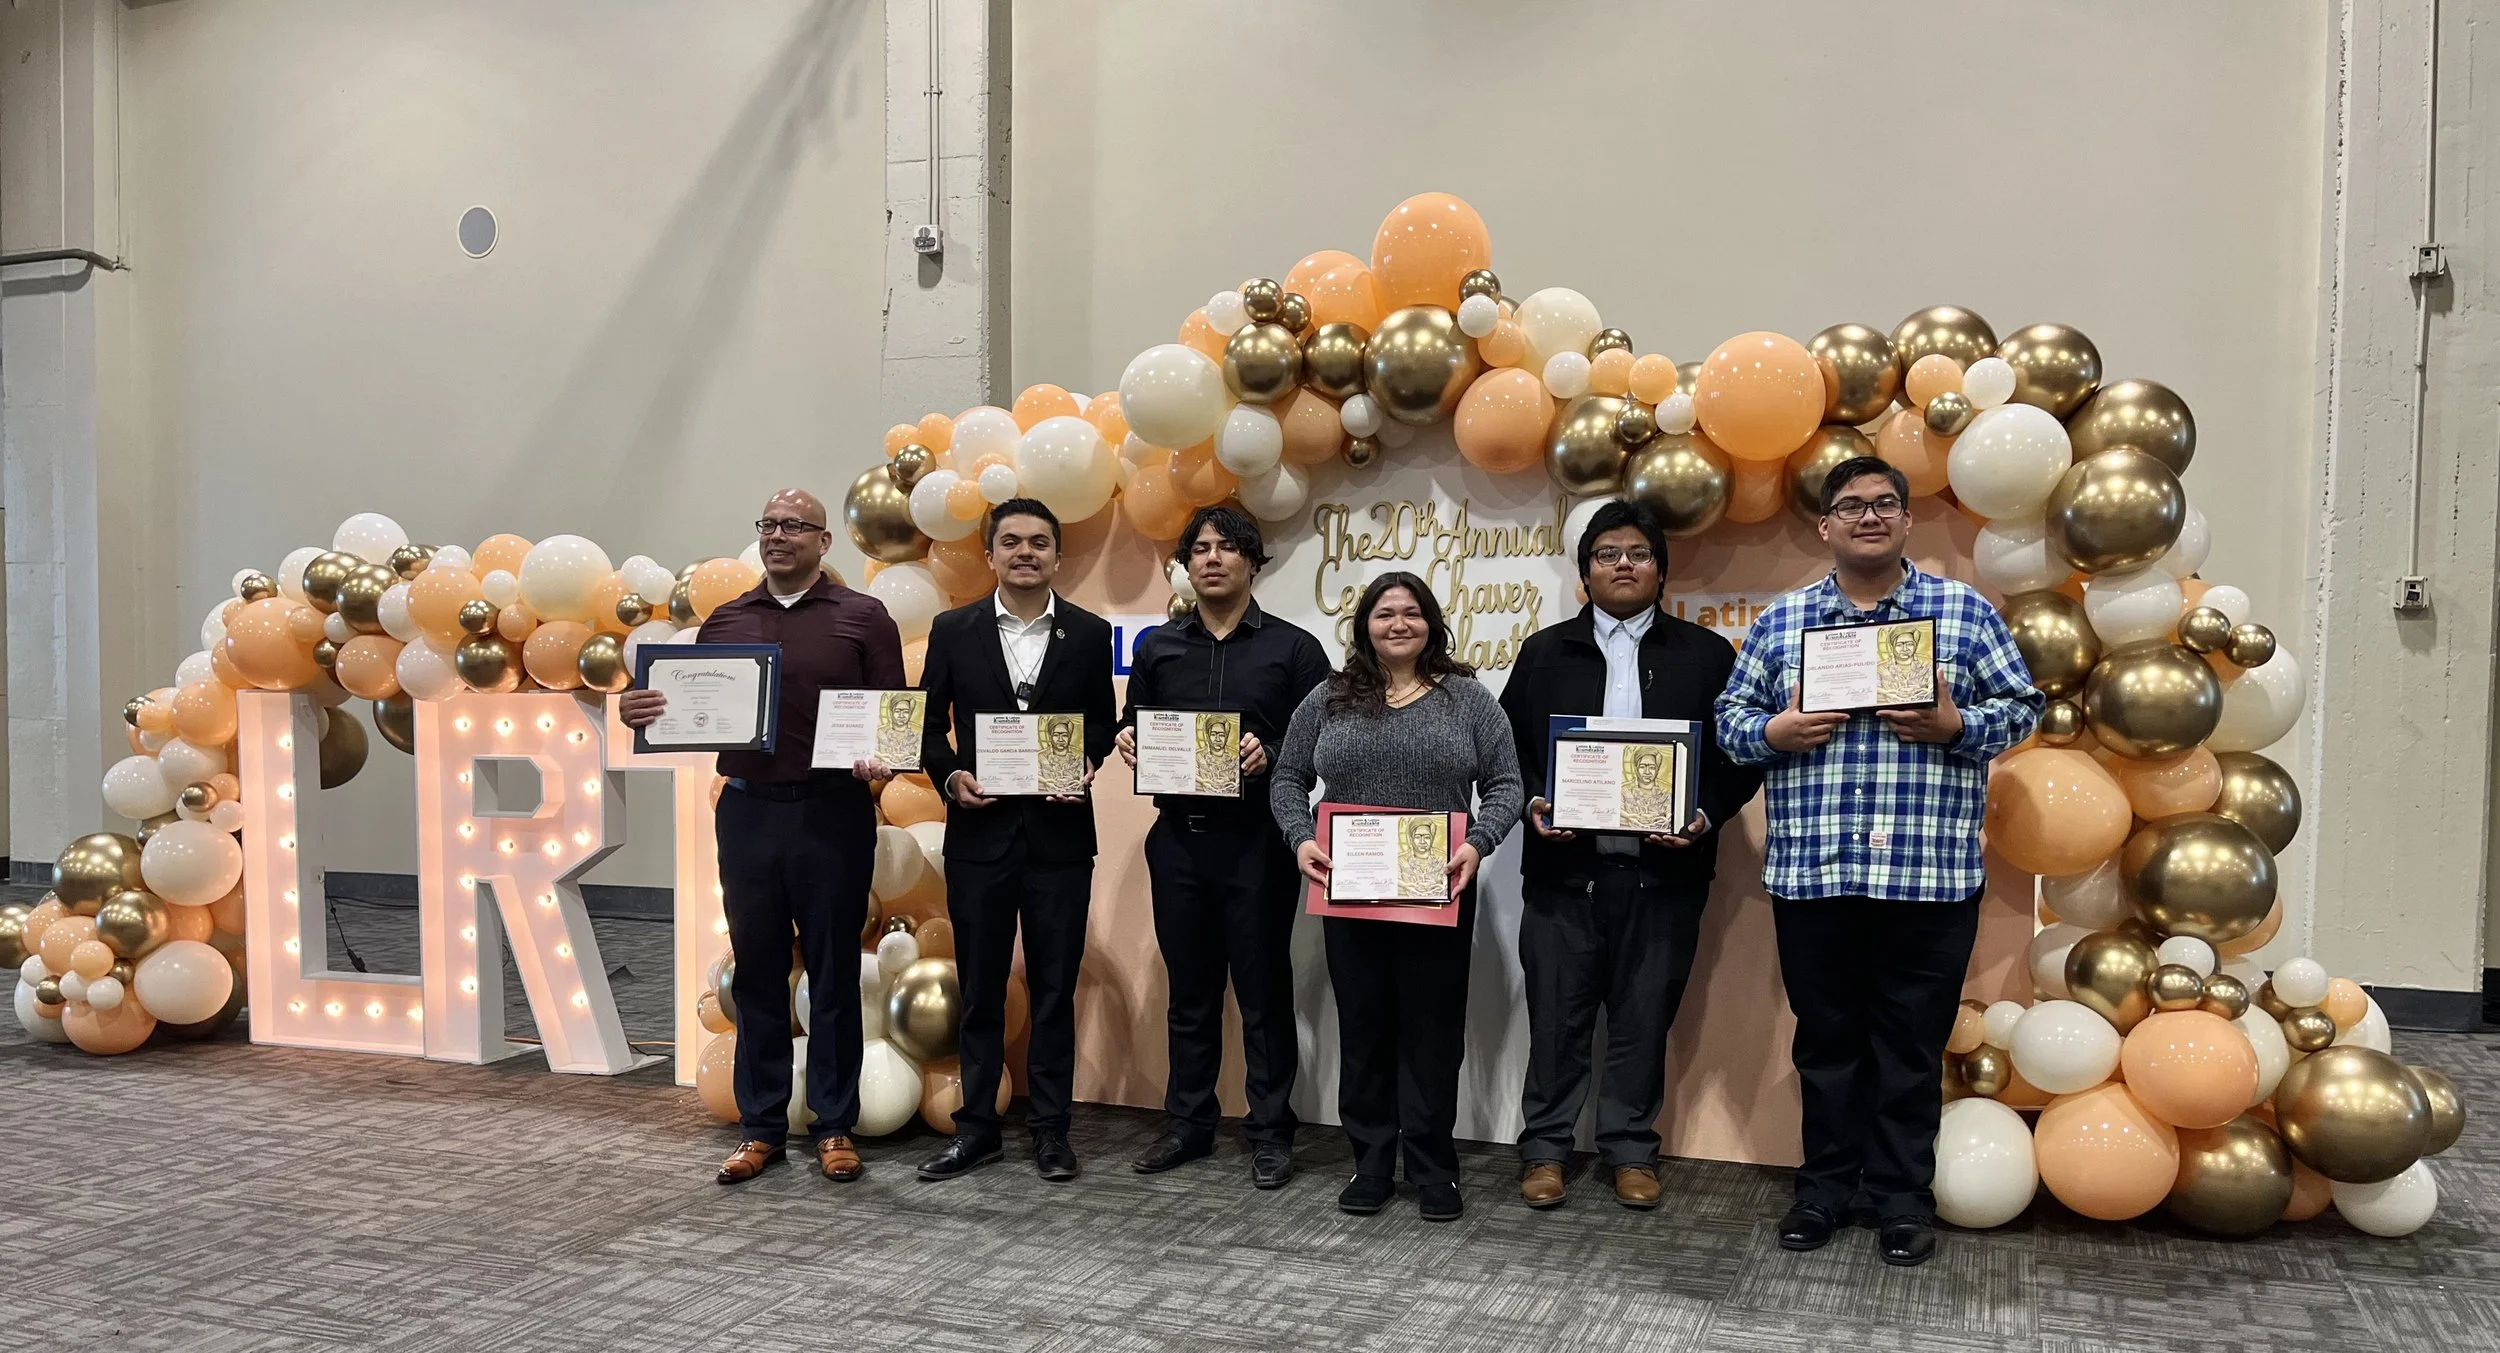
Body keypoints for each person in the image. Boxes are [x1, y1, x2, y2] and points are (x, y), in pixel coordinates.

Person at [1713, 457, 2041, 1267]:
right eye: (1851, 506)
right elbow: (1729, 720)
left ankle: (1900, 1198)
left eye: (1885, 503)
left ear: (1904, 520)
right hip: (1815, 875)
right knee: (1825, 1044)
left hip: (1928, 878)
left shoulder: (1961, 612)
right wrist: (1773, 735)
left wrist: (1958, 728)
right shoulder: (1783, 620)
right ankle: (1823, 1189)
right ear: (1824, 526)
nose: (1869, 515)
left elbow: (2023, 709)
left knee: (1908, 1048)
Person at [618, 489, 903, 1186]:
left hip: (833, 813)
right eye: (769, 525)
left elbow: (894, 715)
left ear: (824, 541)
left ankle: (835, 1124)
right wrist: (640, 709)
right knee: (757, 973)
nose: (779, 536)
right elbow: (680, 708)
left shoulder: (862, 617)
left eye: (795, 526)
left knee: (835, 974)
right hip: (747, 813)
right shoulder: (725, 621)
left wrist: (884, 753)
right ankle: (762, 1127)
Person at [1496, 498, 1763, 1212]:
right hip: (1562, 876)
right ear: (1584, 571)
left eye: (1637, 553)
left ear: (1661, 570)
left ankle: (1630, 1148)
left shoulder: (1706, 655)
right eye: (1606, 553)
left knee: (1644, 1018)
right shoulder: (1545, 651)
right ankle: (1546, 1149)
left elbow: (1742, 755)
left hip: (1664, 877)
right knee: (1556, 1017)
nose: (1622, 563)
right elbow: (1509, 750)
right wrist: (1532, 802)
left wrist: (1704, 813)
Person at [1270, 570, 1524, 1223]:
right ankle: (1372, 1162)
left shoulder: (1469, 699)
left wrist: (1479, 843)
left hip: (1437, 893)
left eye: (1411, 612)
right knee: (1364, 1030)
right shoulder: (1327, 697)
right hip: (1348, 894)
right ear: (1364, 626)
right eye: (1385, 613)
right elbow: (1288, 778)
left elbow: (1505, 785)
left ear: (1432, 623)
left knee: (1432, 1035)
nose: (1398, 623)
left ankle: (1435, 1168)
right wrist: (1301, 839)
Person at [1114, 505, 1329, 1187]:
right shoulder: (1158, 647)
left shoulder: (1294, 649)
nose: (1212, 558)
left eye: (1228, 547)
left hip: (1257, 841)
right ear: (1187, 563)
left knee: (1263, 990)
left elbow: (1320, 746)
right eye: (1200, 548)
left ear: (1252, 562)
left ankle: (1270, 1131)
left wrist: (1273, 753)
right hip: (1177, 839)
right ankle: (1190, 1124)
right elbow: (1132, 726)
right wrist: (1127, 741)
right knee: (1191, 992)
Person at [913, 498, 1118, 1184]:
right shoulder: (953, 628)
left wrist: (1089, 763)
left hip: (1061, 837)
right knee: (981, 988)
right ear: (992, 554)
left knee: (1056, 988)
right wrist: (950, 776)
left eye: (1039, 542)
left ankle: (1052, 1131)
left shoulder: (1090, 633)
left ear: (1057, 556)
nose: (1025, 551)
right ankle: (976, 1129)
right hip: (981, 835)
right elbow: (925, 726)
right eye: (1011, 541)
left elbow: (1100, 724)